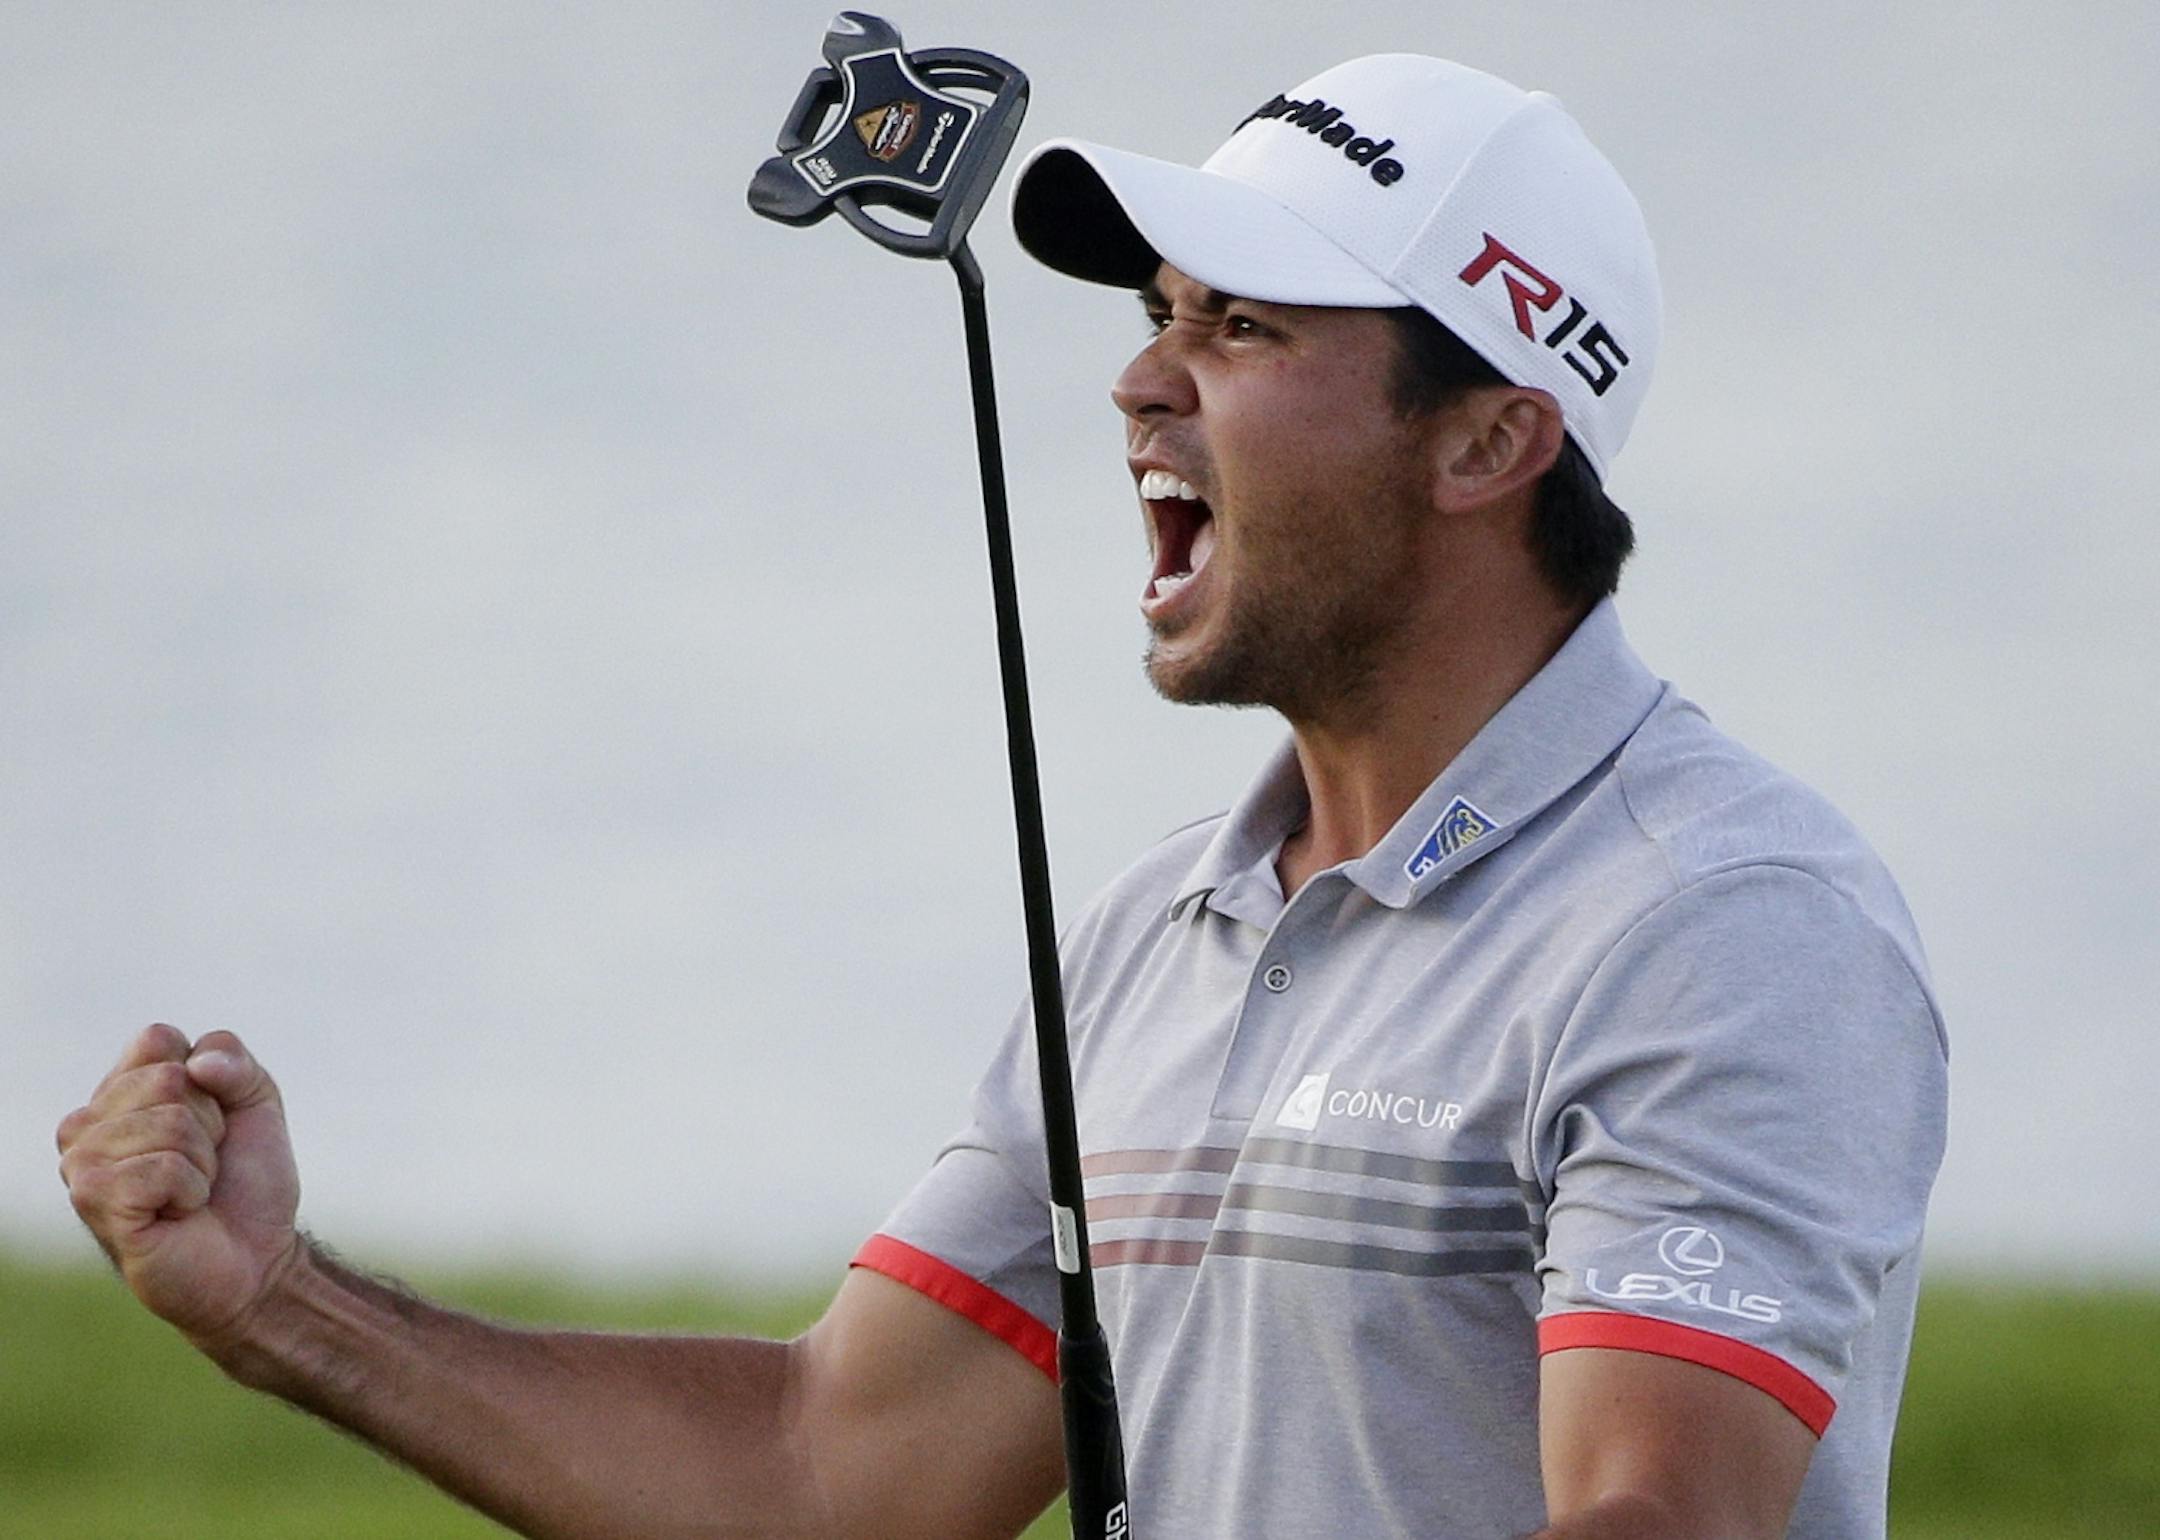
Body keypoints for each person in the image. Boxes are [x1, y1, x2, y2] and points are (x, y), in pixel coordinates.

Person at [56, 52, 1946, 1540]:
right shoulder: (1158, 939)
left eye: (1241, 328)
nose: (1140, 379)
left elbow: (1658, 1515)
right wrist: (277, 1303)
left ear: (1487, 439)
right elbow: (827, 1477)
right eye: (1160, 310)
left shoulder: (1717, 919)